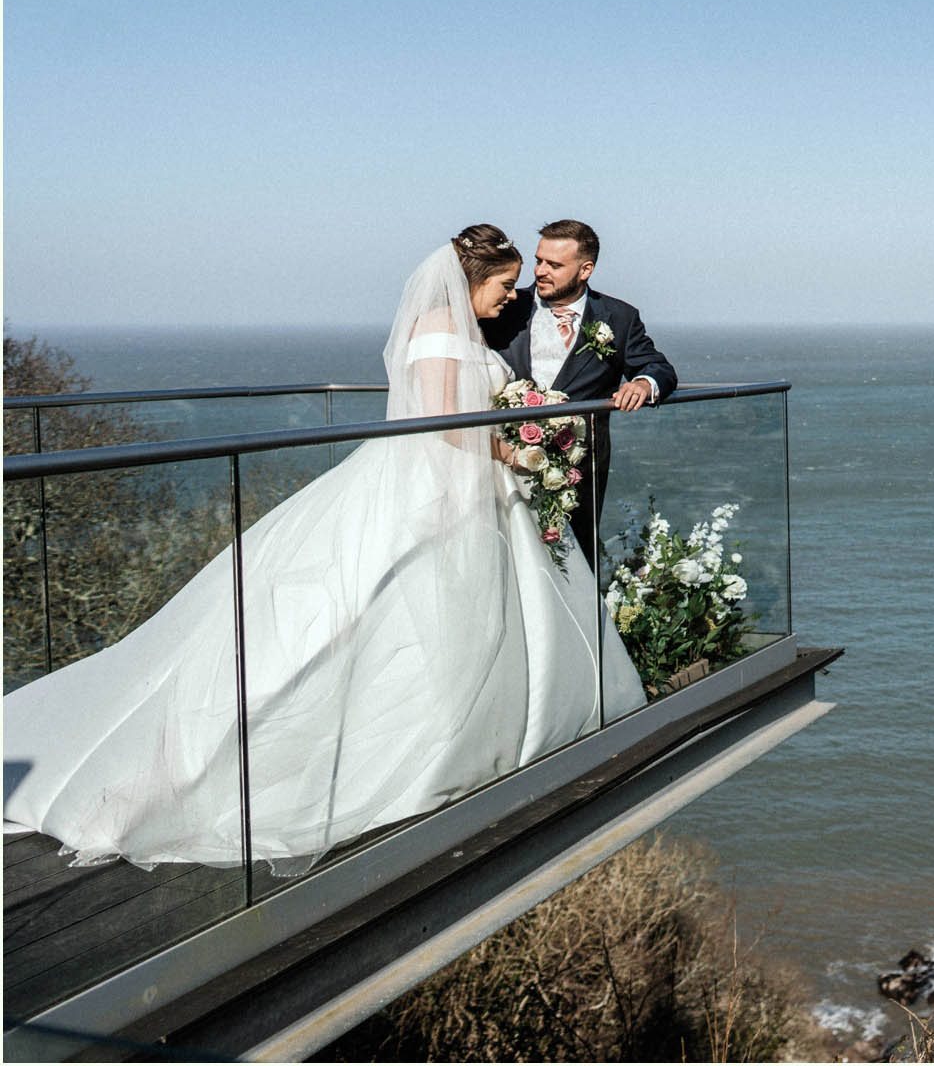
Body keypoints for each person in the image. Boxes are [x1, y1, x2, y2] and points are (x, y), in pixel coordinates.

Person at [2, 227, 647, 874]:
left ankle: (487, 743)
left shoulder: (465, 331)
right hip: (441, 487)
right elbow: (446, 428)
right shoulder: (444, 334)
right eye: (506, 285)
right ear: (471, 280)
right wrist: (520, 449)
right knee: (386, 617)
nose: (513, 297)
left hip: (467, 490)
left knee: (459, 617)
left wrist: (522, 434)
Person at [479, 220, 677, 567]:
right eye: (539, 260)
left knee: (574, 563)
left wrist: (644, 384)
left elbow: (658, 367)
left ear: (585, 269)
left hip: (578, 470)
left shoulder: (619, 317)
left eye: (554, 265)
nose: (540, 271)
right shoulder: (506, 306)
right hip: (501, 463)